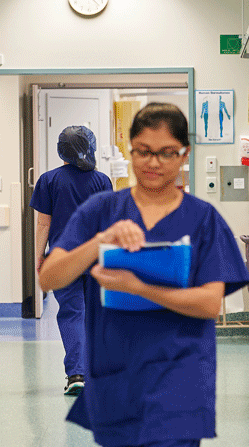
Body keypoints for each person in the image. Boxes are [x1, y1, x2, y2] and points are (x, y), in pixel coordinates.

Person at [38, 103, 249, 447]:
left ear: (184, 154)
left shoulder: (203, 219)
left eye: (166, 153)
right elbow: (49, 278)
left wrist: (138, 288)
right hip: (116, 376)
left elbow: (210, 304)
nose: (153, 162)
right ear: (130, 150)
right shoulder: (102, 210)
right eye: (143, 151)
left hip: (179, 375)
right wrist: (101, 240)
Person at [30, 126, 113, 395]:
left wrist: (39, 257)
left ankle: (76, 374)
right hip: (94, 257)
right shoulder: (102, 181)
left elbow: (43, 224)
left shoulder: (48, 180)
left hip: (63, 259)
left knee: (72, 314)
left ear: (61, 150)